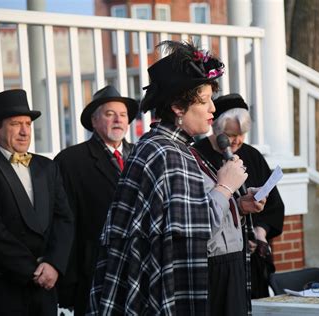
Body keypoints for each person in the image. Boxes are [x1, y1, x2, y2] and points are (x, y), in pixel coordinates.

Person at [88, 41, 265, 315]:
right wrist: (225, 186)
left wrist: (239, 206)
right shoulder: (162, 151)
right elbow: (186, 231)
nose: (212, 110)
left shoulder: (183, 150)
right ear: (178, 107)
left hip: (221, 276)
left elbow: (190, 211)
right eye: (204, 101)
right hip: (200, 283)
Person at [0, 89, 74, 315]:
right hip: (4, 288)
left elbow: (64, 219)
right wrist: (34, 272)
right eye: (15, 124)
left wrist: (53, 264)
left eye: (28, 124)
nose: (24, 132)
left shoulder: (47, 167)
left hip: (46, 286)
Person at [54, 85, 138, 315]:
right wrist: (67, 282)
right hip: (93, 272)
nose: (118, 120)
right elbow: (64, 221)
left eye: (123, 115)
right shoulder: (71, 161)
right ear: (94, 120)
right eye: (110, 114)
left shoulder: (141, 155)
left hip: (137, 269)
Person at [193, 93, 285, 298]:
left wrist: (260, 234)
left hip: (252, 261)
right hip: (218, 262)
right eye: (231, 134)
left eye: (242, 133)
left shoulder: (252, 155)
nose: (237, 140)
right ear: (217, 128)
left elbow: (274, 206)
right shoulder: (197, 156)